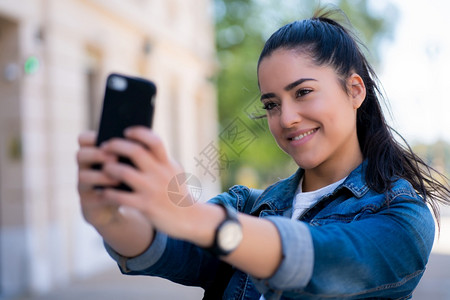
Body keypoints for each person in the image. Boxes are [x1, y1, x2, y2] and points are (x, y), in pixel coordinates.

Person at [77, 8, 450, 300]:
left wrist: (195, 219)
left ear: (354, 90)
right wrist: (110, 217)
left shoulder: (403, 218)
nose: (286, 118)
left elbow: (324, 259)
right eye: (272, 104)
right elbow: (167, 247)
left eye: (303, 92)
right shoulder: (247, 206)